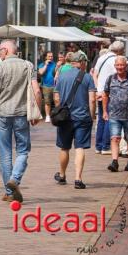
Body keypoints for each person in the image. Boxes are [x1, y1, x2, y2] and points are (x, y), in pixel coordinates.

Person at [0, 40, 42, 203]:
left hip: (2, 114)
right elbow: (36, 90)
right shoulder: (28, 66)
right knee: (23, 150)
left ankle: (9, 190)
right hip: (21, 114)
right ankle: (14, 180)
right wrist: (37, 112)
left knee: (5, 153)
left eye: (1, 51)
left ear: (6, 50)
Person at [52, 52, 96, 189]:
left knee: (64, 147)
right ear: (82, 62)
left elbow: (56, 97)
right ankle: (78, 179)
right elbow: (92, 99)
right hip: (82, 117)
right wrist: (92, 115)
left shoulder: (62, 75)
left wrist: (60, 110)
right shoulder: (87, 77)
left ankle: (63, 175)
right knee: (80, 147)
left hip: (65, 117)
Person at [94, 41, 125, 155]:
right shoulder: (114, 61)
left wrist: (98, 88)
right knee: (109, 119)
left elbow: (94, 73)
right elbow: (118, 76)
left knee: (102, 119)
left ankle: (98, 146)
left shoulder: (102, 57)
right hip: (110, 93)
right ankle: (106, 146)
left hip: (100, 92)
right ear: (120, 51)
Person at [102, 56, 128, 172]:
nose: (120, 67)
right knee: (115, 138)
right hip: (114, 115)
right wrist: (104, 111)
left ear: (126, 66)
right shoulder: (110, 79)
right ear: (115, 66)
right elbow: (105, 95)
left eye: (122, 65)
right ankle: (115, 162)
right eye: (118, 65)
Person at [38, 51, 56, 123]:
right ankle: (48, 116)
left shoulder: (55, 64)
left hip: (55, 85)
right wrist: (46, 65)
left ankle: (56, 115)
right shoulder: (41, 64)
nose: (51, 58)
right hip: (46, 86)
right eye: (49, 56)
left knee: (56, 101)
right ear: (46, 57)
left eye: (52, 56)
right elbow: (41, 72)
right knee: (47, 102)